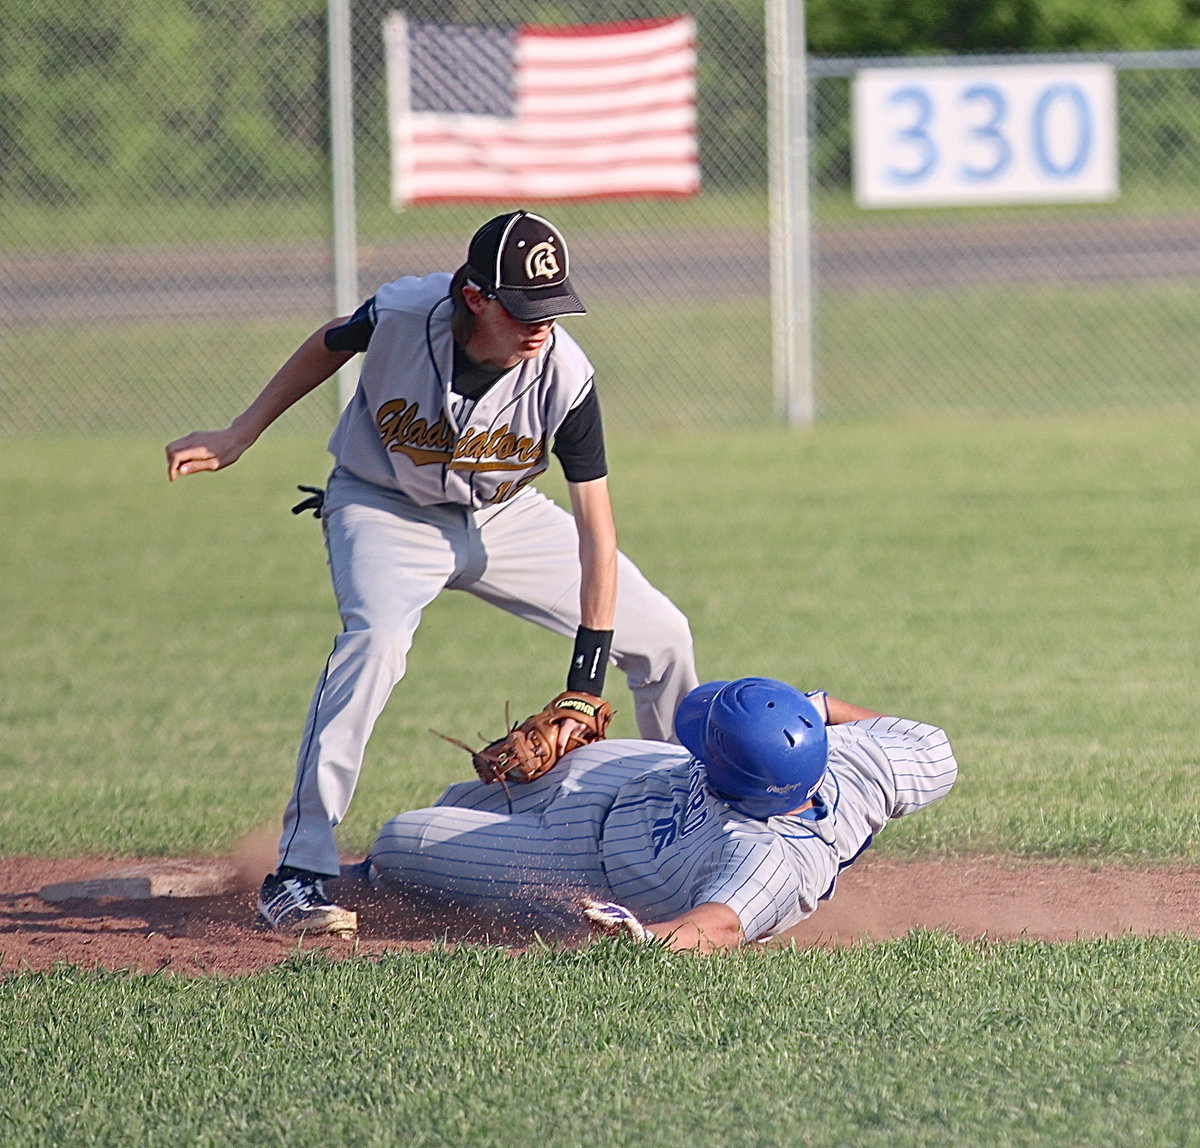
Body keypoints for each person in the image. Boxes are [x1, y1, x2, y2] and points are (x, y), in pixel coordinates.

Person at [164, 210, 698, 937]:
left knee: (664, 636)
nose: (540, 326)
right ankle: (298, 872)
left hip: (502, 514)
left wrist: (584, 682)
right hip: (381, 504)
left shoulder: (565, 375)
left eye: (552, 307)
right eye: (522, 308)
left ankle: (674, 843)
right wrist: (240, 432)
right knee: (376, 642)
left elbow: (596, 537)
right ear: (476, 296)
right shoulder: (403, 312)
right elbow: (328, 342)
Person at [365, 676, 958, 951]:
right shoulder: (859, 759)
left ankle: (361, 875)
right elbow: (936, 748)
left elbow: (719, 927)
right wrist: (816, 708)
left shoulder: (769, 858)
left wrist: (643, 938)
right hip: (625, 771)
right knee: (460, 796)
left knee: (398, 842)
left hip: (574, 858)